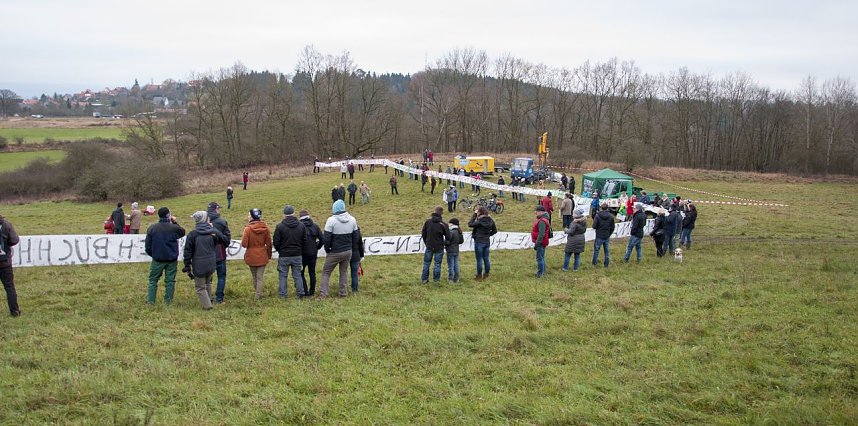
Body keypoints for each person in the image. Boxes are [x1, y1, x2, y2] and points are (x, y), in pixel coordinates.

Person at [183, 211, 228, 310]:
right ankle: (209, 300)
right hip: (211, 261)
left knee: (200, 287)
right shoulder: (213, 232)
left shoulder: (193, 234)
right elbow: (224, 240)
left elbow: (188, 251)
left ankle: (207, 306)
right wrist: (214, 229)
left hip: (198, 263)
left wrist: (187, 265)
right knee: (208, 282)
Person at [144, 207, 185, 305]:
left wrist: (153, 254)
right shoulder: (174, 228)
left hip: (157, 259)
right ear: (168, 215)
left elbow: (147, 245)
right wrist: (174, 222)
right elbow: (182, 232)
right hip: (171, 259)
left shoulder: (152, 228)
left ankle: (150, 301)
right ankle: (168, 301)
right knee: (170, 281)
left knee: (153, 280)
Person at [321, 200, 359, 298]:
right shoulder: (352, 219)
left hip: (334, 251)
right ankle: (343, 292)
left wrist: (327, 249)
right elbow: (356, 237)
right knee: (344, 271)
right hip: (348, 251)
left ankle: (324, 293)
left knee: (326, 272)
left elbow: (326, 238)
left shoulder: (331, 220)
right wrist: (350, 247)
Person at [272, 205, 306, 299]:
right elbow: (304, 240)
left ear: (284, 214)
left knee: (283, 276)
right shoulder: (301, 225)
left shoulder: (279, 226)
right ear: (294, 213)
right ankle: (300, 293)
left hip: (284, 255)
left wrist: (281, 250)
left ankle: (283, 294)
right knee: (297, 275)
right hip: (297, 254)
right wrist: (299, 249)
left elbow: (276, 242)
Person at [241, 208, 272, 300]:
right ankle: (258, 295)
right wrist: (269, 255)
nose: (247, 216)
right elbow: (269, 243)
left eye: (248, 215)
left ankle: (258, 295)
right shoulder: (265, 228)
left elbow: (244, 244)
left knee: (254, 276)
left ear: (251, 217)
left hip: (251, 256)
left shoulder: (247, 229)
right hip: (262, 255)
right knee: (260, 277)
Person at [207, 201, 232, 304]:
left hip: (207, 253)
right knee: (221, 276)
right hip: (220, 253)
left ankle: (208, 298)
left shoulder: (202, 222)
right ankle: (219, 298)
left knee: (208, 278)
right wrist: (222, 246)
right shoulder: (222, 221)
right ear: (216, 209)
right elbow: (227, 238)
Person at [421, 206, 451, 284]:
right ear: (442, 213)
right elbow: (448, 237)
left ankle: (424, 279)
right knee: (437, 264)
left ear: (434, 211)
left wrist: (426, 242)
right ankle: (436, 280)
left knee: (426, 263)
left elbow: (423, 233)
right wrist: (445, 242)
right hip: (439, 246)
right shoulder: (443, 224)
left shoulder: (428, 222)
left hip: (429, 246)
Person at [0, 214, 21, 317]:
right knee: (9, 287)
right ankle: (15, 311)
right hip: (4, 262)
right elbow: (14, 240)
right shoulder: (5, 224)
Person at [468, 206, 497, 281]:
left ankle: (479, 275)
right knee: (486, 258)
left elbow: (470, 224)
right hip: (486, 241)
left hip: (479, 241)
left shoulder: (480, 221)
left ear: (480, 212)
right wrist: (488, 235)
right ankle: (486, 274)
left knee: (479, 259)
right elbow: (495, 231)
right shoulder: (490, 220)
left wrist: (474, 215)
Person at [299, 210, 323, 296]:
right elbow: (322, 239)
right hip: (313, 253)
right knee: (312, 272)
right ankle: (312, 291)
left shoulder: (299, 227)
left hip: (302, 254)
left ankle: (305, 290)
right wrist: (317, 247)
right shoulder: (315, 226)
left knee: (300, 273)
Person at [591, 202, 615, 268]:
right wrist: (609, 233)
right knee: (607, 251)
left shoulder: (597, 216)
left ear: (601, 208)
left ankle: (594, 263)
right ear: (607, 208)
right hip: (606, 235)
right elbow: (613, 227)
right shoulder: (611, 216)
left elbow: (594, 226)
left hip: (599, 235)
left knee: (596, 250)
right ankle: (606, 264)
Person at [532, 205, 551, 278]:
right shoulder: (543, 219)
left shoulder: (542, 221)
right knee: (541, 257)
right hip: (542, 241)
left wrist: (537, 243)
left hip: (541, 242)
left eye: (536, 211)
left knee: (539, 258)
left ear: (540, 212)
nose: (535, 213)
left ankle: (540, 273)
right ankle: (543, 271)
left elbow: (541, 234)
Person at [446, 218, 464, 283]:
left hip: (450, 250)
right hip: (456, 250)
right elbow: (461, 241)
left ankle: (450, 278)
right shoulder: (459, 231)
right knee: (456, 265)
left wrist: (444, 242)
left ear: (452, 224)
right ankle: (457, 278)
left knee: (450, 265)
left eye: (449, 223)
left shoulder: (451, 232)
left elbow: (447, 242)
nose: (448, 224)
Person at [349, 225, 365, 293]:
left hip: (346, 254)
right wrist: (362, 256)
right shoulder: (358, 233)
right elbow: (361, 245)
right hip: (356, 255)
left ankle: (343, 289)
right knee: (354, 273)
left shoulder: (345, 232)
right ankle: (355, 289)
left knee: (343, 272)